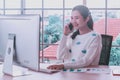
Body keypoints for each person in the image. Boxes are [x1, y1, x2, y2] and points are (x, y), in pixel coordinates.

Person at [47, 5, 102, 70]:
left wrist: (63, 66)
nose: (73, 21)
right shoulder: (71, 36)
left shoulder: (95, 37)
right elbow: (60, 56)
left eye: (77, 18)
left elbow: (86, 61)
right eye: (72, 18)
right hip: (70, 73)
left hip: (86, 75)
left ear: (87, 19)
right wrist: (65, 35)